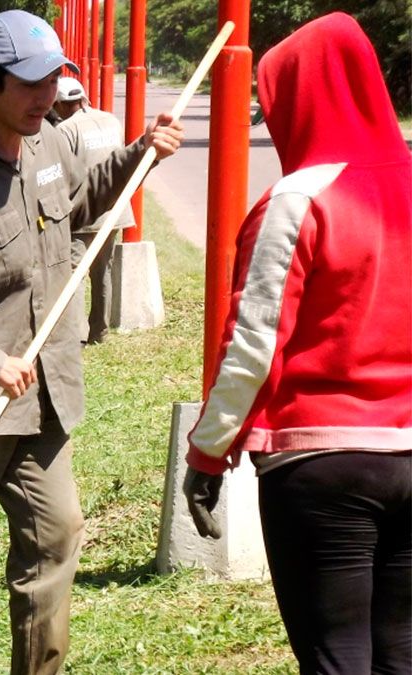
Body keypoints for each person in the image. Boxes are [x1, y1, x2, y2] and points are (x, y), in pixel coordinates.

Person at [0, 10, 184, 674]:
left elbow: (80, 203)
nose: (46, 96)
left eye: (53, 80)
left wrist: (140, 156)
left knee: (56, 537)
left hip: (46, 395)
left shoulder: (50, 143)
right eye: (29, 84)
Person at [182, 13, 410, 674]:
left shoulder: (298, 198)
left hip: (321, 468)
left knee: (337, 656)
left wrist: (207, 452)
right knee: (402, 652)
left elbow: (252, 347)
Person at [53, 77, 136, 345]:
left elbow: (62, 174)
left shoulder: (65, 130)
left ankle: (75, 336)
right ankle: (99, 332)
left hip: (84, 214)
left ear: (62, 105)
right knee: (103, 271)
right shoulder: (111, 120)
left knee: (74, 275)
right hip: (115, 212)